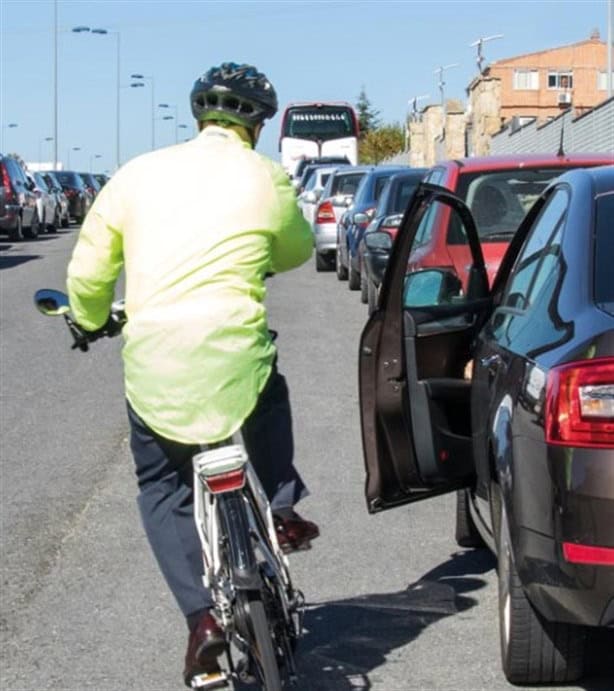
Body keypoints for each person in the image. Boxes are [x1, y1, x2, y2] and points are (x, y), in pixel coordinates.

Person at [65, 62, 319, 687]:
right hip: (236, 355)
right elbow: (296, 251)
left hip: (156, 363)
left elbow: (89, 275)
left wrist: (89, 319)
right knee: (268, 388)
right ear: (255, 124)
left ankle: (201, 621)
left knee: (160, 485)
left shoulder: (135, 175)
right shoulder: (266, 175)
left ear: (197, 115)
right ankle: (283, 508)